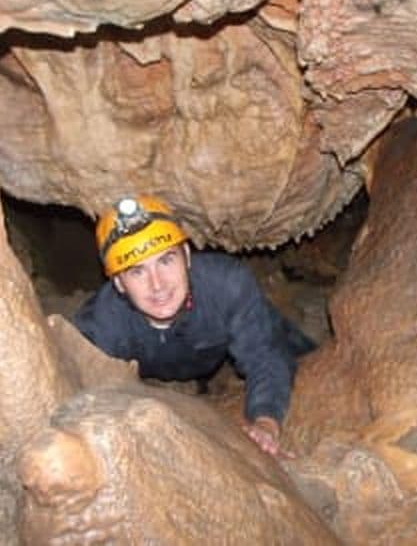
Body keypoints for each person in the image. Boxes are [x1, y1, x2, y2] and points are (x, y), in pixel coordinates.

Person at [73, 195, 316, 457]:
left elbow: (265, 356)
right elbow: (82, 391)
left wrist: (265, 421)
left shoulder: (226, 285)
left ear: (187, 256)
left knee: (297, 351)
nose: (158, 284)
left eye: (166, 260)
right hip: (159, 369)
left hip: (219, 339)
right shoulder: (102, 324)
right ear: (119, 283)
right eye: (137, 271)